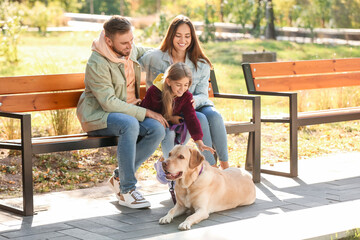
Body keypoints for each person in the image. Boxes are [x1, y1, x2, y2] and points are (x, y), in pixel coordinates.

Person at [76, 15, 168, 209]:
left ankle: (120, 176)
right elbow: (109, 103)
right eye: (124, 42)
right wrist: (147, 113)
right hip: (99, 117)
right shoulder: (97, 62)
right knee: (130, 124)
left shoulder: (129, 49)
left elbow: (150, 52)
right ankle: (127, 190)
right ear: (109, 40)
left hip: (130, 113)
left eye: (131, 40)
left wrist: (171, 53)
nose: (130, 46)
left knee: (158, 128)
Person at [140, 15, 229, 170]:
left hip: (195, 103)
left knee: (214, 116)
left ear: (192, 38)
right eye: (178, 35)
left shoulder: (200, 64)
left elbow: (203, 94)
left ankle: (226, 167)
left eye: (187, 36)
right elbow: (133, 54)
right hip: (175, 109)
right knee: (199, 118)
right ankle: (210, 167)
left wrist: (194, 100)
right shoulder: (155, 57)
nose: (183, 40)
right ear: (171, 36)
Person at [141, 62, 215, 164]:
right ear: (168, 81)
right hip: (153, 124)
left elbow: (191, 117)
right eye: (178, 85)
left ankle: (168, 162)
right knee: (169, 133)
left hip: (171, 124)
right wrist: (170, 118)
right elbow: (148, 112)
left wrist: (199, 142)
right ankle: (168, 165)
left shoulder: (186, 96)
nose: (182, 89)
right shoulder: (155, 92)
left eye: (186, 85)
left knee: (187, 126)